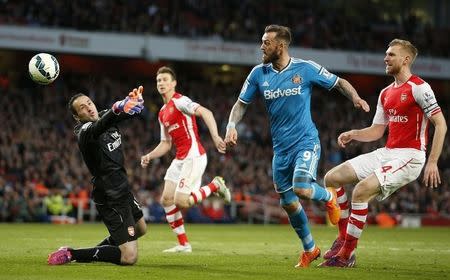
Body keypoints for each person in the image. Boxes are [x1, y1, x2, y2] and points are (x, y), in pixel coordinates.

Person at [224, 25, 370, 268]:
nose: (262, 46)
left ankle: (329, 196)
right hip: (280, 150)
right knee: (288, 203)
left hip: (306, 141)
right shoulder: (258, 74)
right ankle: (310, 249)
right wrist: (231, 125)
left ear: (280, 46)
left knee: (301, 188)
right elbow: (240, 104)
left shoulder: (306, 68)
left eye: (266, 42)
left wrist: (354, 97)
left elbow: (339, 82)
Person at [319, 39, 447, 268]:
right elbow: (378, 130)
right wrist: (354, 133)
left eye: (391, 55)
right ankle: (342, 238)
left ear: (405, 60)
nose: (385, 59)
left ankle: (347, 255)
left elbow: (441, 124)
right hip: (387, 151)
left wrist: (433, 161)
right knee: (331, 178)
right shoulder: (386, 92)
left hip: (410, 155)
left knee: (360, 191)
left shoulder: (420, 87)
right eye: (386, 54)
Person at [47, 86, 147, 265]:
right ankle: (72, 253)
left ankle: (97, 251)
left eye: (89, 103)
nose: (88, 107)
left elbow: (120, 114)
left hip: (123, 189)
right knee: (129, 257)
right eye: (82, 108)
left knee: (141, 229)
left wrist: (135, 103)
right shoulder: (84, 132)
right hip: (110, 195)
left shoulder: (104, 116)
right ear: (77, 117)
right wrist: (117, 108)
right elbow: (101, 125)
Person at [140, 66, 231, 253]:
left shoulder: (181, 101)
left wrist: (215, 136)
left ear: (174, 83)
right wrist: (149, 155)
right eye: (158, 81)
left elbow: (206, 113)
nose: (161, 83)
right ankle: (183, 244)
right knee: (166, 199)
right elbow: (165, 143)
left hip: (194, 155)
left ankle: (215, 186)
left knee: (181, 201)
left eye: (165, 79)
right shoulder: (162, 112)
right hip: (180, 158)